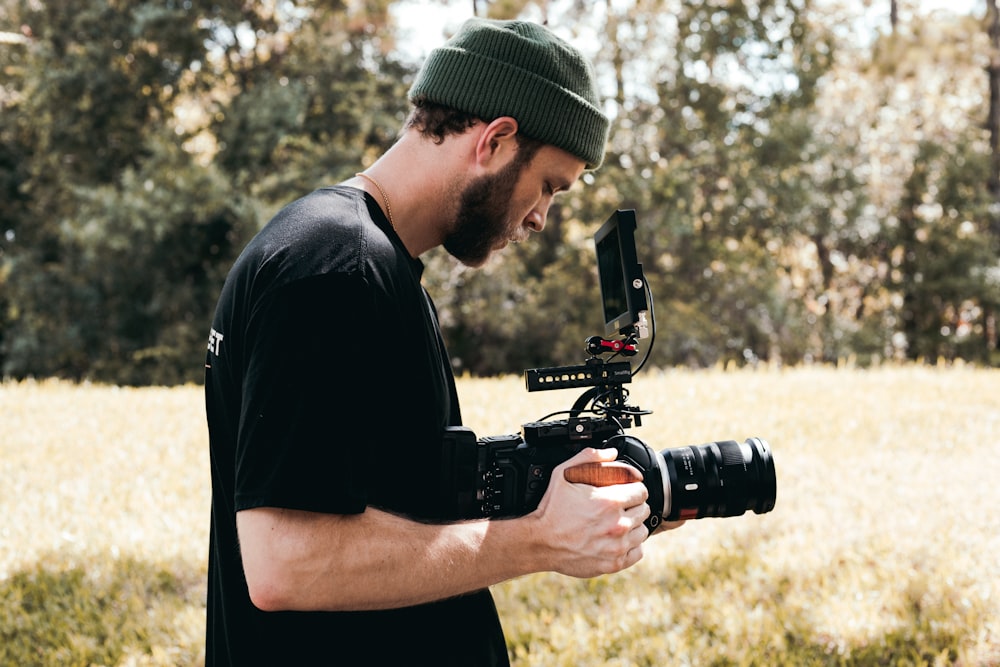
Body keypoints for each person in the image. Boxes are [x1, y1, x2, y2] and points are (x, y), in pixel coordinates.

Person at [204, 17, 680, 666]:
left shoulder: (373, 264)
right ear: (496, 140)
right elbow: (287, 560)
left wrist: (572, 484)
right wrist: (537, 541)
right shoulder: (336, 267)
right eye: (548, 185)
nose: (541, 217)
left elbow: (388, 485)